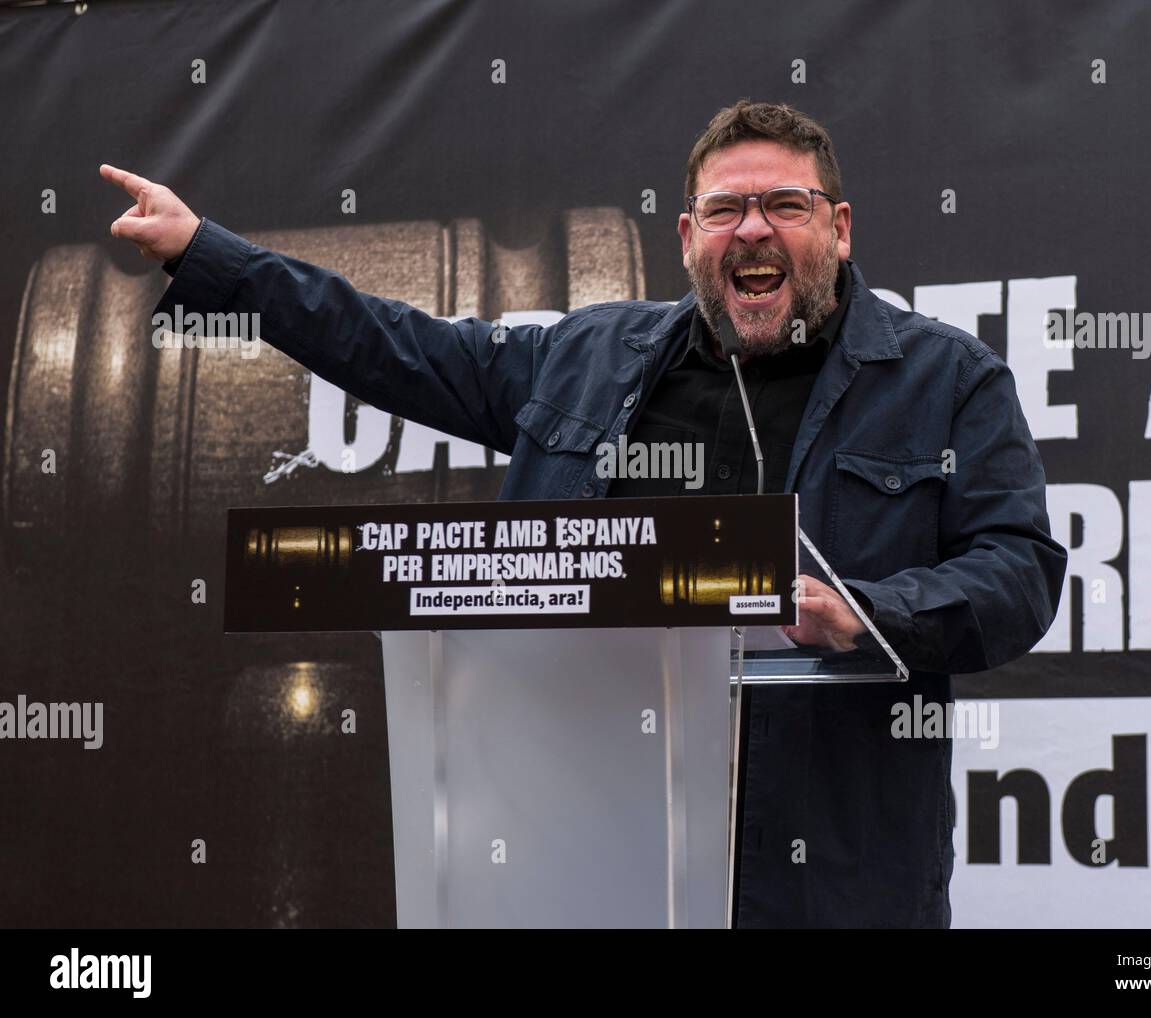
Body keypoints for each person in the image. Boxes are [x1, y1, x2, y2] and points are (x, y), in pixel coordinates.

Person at [100, 99, 1066, 928]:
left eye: (786, 205)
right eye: (725, 208)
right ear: (689, 238)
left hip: (832, 867)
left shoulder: (948, 380)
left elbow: (1020, 573)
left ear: (841, 228)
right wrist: (209, 254)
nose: (754, 230)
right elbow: (395, 347)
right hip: (594, 848)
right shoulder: (589, 356)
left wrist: (857, 615)